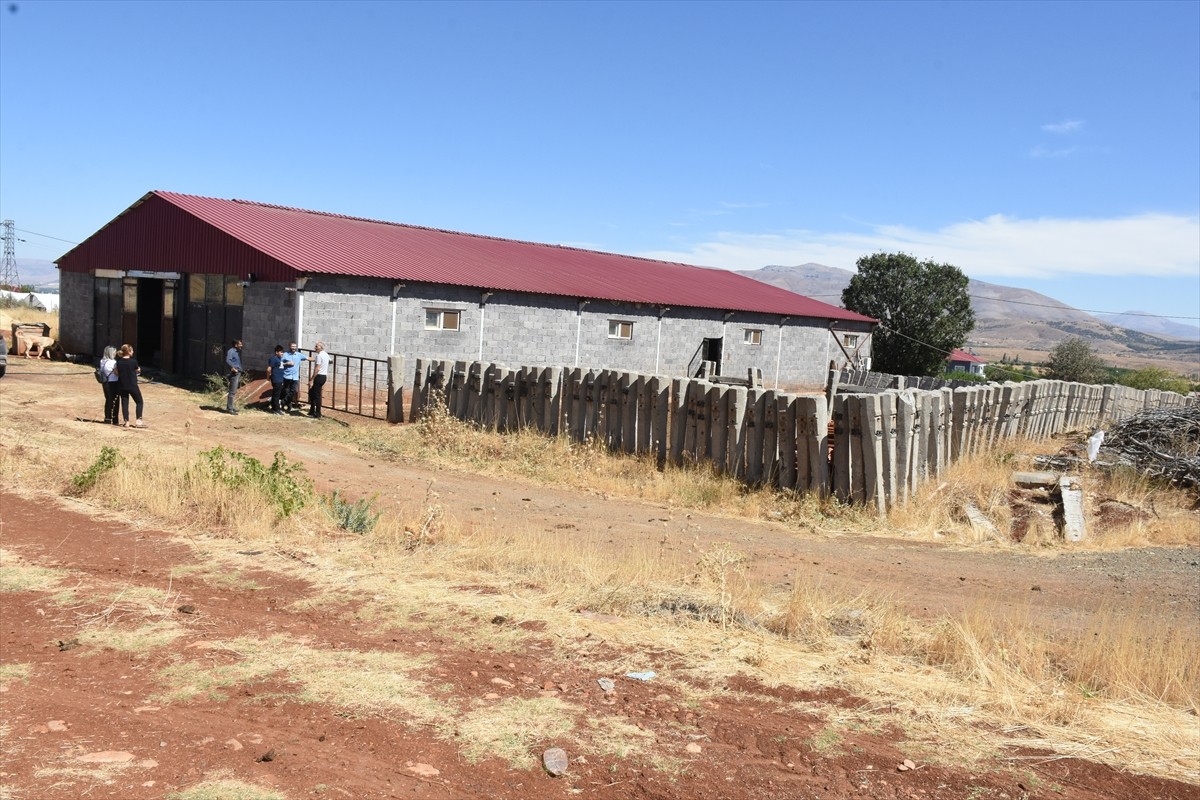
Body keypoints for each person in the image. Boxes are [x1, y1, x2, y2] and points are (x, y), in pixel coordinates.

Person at [115, 343, 145, 427]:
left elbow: (116, 372)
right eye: (132, 350)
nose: (133, 352)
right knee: (139, 401)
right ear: (128, 351)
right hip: (132, 385)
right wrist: (138, 370)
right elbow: (137, 370)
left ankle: (126, 421)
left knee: (125, 403)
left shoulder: (119, 362)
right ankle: (138, 421)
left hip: (122, 385)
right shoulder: (133, 361)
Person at [282, 341, 309, 413]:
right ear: (289, 346)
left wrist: (319, 359)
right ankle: (288, 407)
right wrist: (286, 363)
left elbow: (308, 358)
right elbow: (279, 364)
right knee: (286, 392)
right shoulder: (285, 355)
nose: (294, 348)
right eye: (292, 346)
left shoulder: (298, 355)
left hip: (295, 377)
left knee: (294, 391)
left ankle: (283, 401)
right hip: (287, 376)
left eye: (295, 346)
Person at [307, 341, 330, 418]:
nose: (315, 348)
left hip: (319, 376)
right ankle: (312, 411)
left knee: (316, 395)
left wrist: (312, 379)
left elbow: (317, 368)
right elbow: (331, 361)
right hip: (324, 376)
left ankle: (317, 413)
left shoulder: (319, 356)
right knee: (312, 392)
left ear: (321, 347)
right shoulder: (326, 354)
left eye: (317, 346)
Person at [99, 345, 120, 425]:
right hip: (113, 383)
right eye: (114, 352)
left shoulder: (102, 361)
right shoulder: (113, 362)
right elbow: (117, 373)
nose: (115, 354)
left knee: (108, 400)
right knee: (115, 401)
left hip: (105, 382)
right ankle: (115, 419)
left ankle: (107, 417)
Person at [266, 344, 287, 415]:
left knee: (277, 394)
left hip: (280, 379)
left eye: (283, 352)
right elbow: (268, 369)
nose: (282, 353)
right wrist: (268, 378)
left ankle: (274, 407)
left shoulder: (279, 359)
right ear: (276, 352)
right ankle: (276, 409)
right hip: (276, 379)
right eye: (281, 352)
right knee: (276, 395)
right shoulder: (273, 359)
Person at [224, 338, 243, 415]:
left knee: (234, 391)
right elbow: (228, 360)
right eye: (240, 344)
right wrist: (233, 368)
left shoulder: (236, 352)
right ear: (236, 345)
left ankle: (231, 406)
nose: (241, 345)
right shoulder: (231, 351)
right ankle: (230, 408)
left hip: (237, 373)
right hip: (234, 373)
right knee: (232, 391)